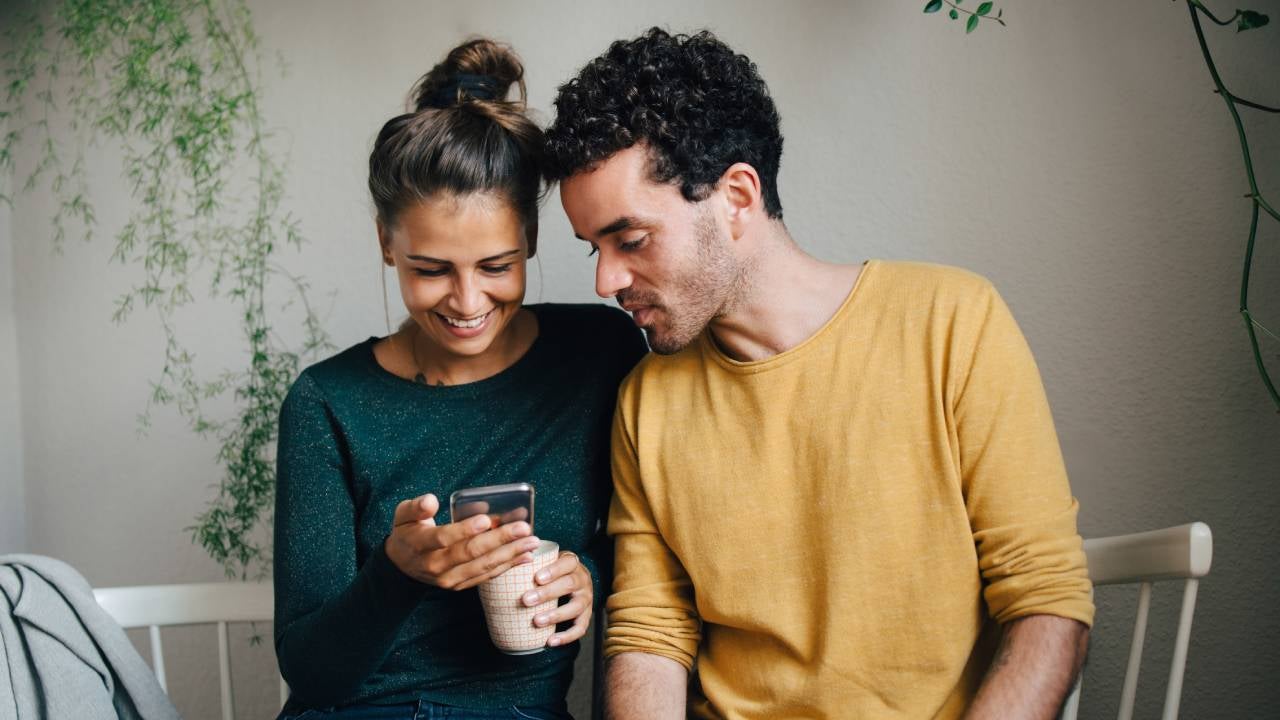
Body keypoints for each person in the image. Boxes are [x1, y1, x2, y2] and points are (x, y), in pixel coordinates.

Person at [543, 28, 1094, 720]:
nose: (606, 280)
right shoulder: (647, 402)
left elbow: (1047, 601)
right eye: (594, 248)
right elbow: (652, 632)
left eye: (630, 240)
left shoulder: (952, 321)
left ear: (737, 197)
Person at [273, 38, 646, 720]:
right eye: (432, 270)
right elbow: (312, 672)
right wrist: (399, 573)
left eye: (496, 266)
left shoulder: (599, 355)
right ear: (387, 243)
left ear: (531, 236)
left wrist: (587, 577)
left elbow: (649, 539)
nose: (468, 303)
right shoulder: (326, 404)